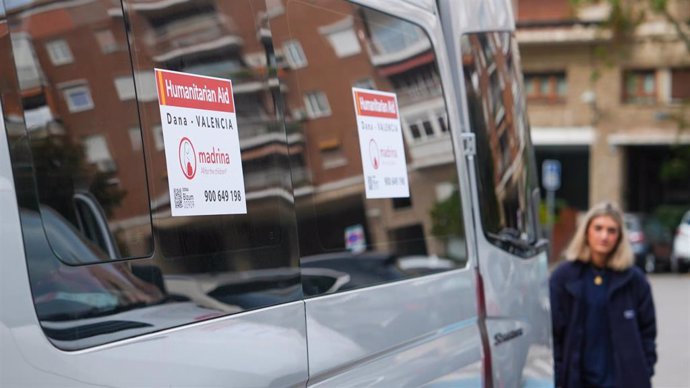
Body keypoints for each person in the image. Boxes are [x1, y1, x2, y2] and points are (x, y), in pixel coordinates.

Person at [550, 202, 657, 388]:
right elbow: (553, 334)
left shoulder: (634, 279)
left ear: (620, 237)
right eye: (598, 228)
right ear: (586, 232)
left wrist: (644, 369)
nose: (604, 236)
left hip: (624, 381)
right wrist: (559, 375)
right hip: (577, 381)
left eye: (611, 230)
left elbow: (647, 332)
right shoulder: (564, 277)